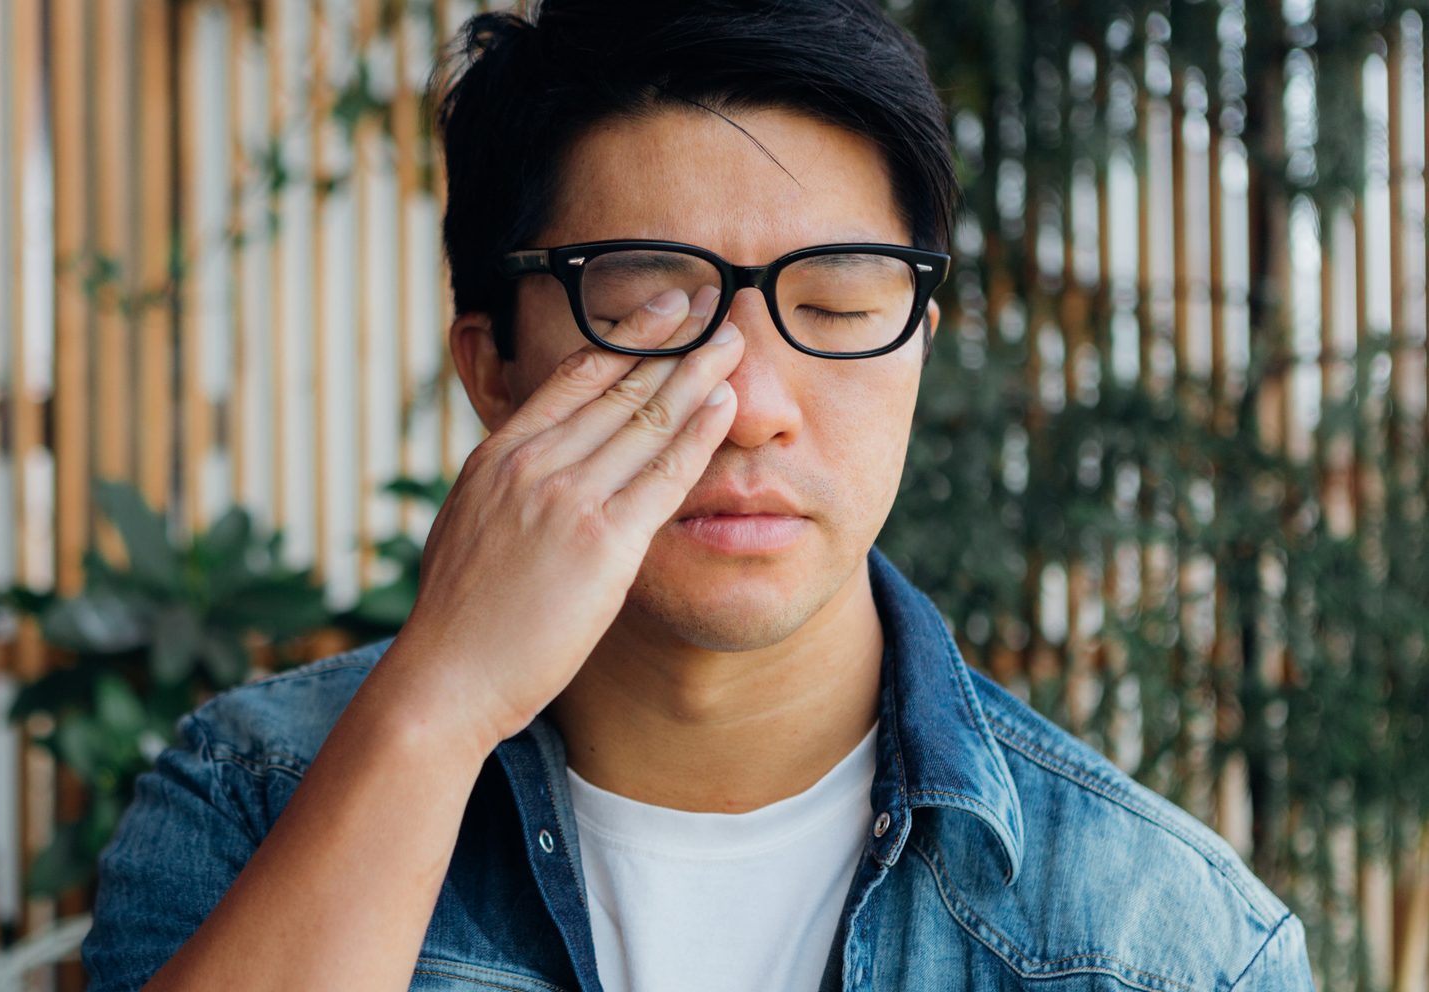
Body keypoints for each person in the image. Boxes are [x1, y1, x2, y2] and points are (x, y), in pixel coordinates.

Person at [81, 1, 1316, 989]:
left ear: (918, 349)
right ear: (494, 369)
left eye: (835, 306)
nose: (750, 402)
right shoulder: (251, 797)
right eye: (644, 311)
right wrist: (438, 711)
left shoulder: (1169, 942)